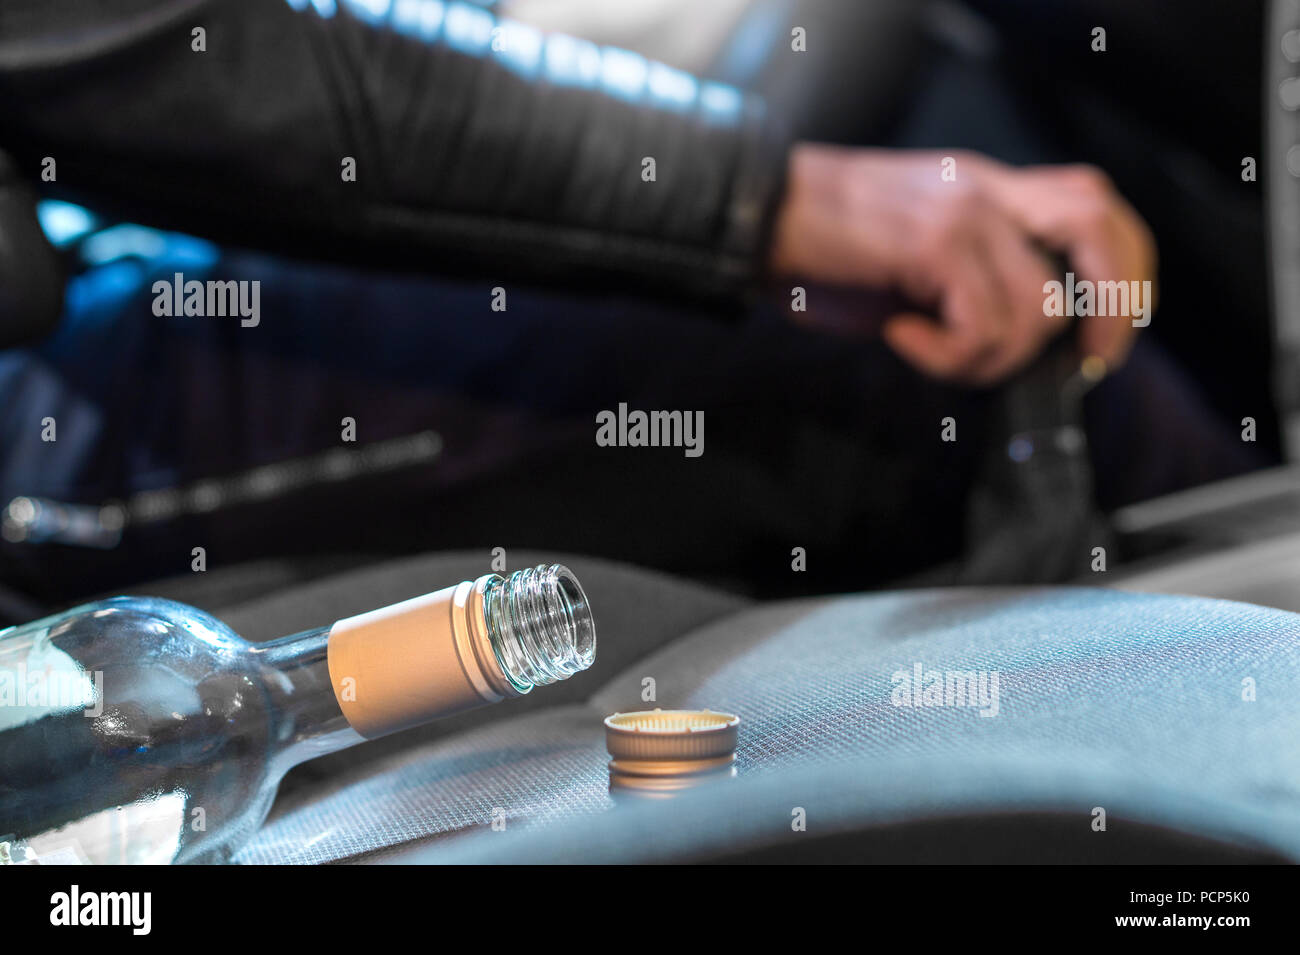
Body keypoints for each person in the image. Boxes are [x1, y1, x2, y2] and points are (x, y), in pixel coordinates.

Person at [0, 0, 1237, 608]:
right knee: (961, 363)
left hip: (124, 210)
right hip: (44, 417)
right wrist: (770, 202)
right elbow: (206, 59)